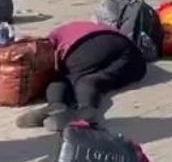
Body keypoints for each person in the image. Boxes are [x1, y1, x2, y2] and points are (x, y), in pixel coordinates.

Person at [15, 21, 147, 131]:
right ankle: (85, 111)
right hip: (134, 59)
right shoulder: (70, 29)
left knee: (65, 79)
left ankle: (57, 105)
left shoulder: (51, 42)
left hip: (84, 44)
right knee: (90, 80)